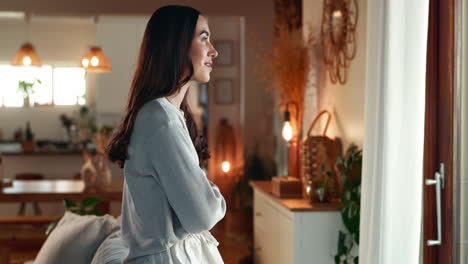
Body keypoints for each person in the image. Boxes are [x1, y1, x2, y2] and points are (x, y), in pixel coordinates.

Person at [106, 5, 226, 264]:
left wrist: (204, 191)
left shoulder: (167, 114)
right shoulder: (160, 119)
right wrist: (214, 195)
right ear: (177, 45)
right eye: (204, 38)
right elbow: (202, 215)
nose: (213, 51)